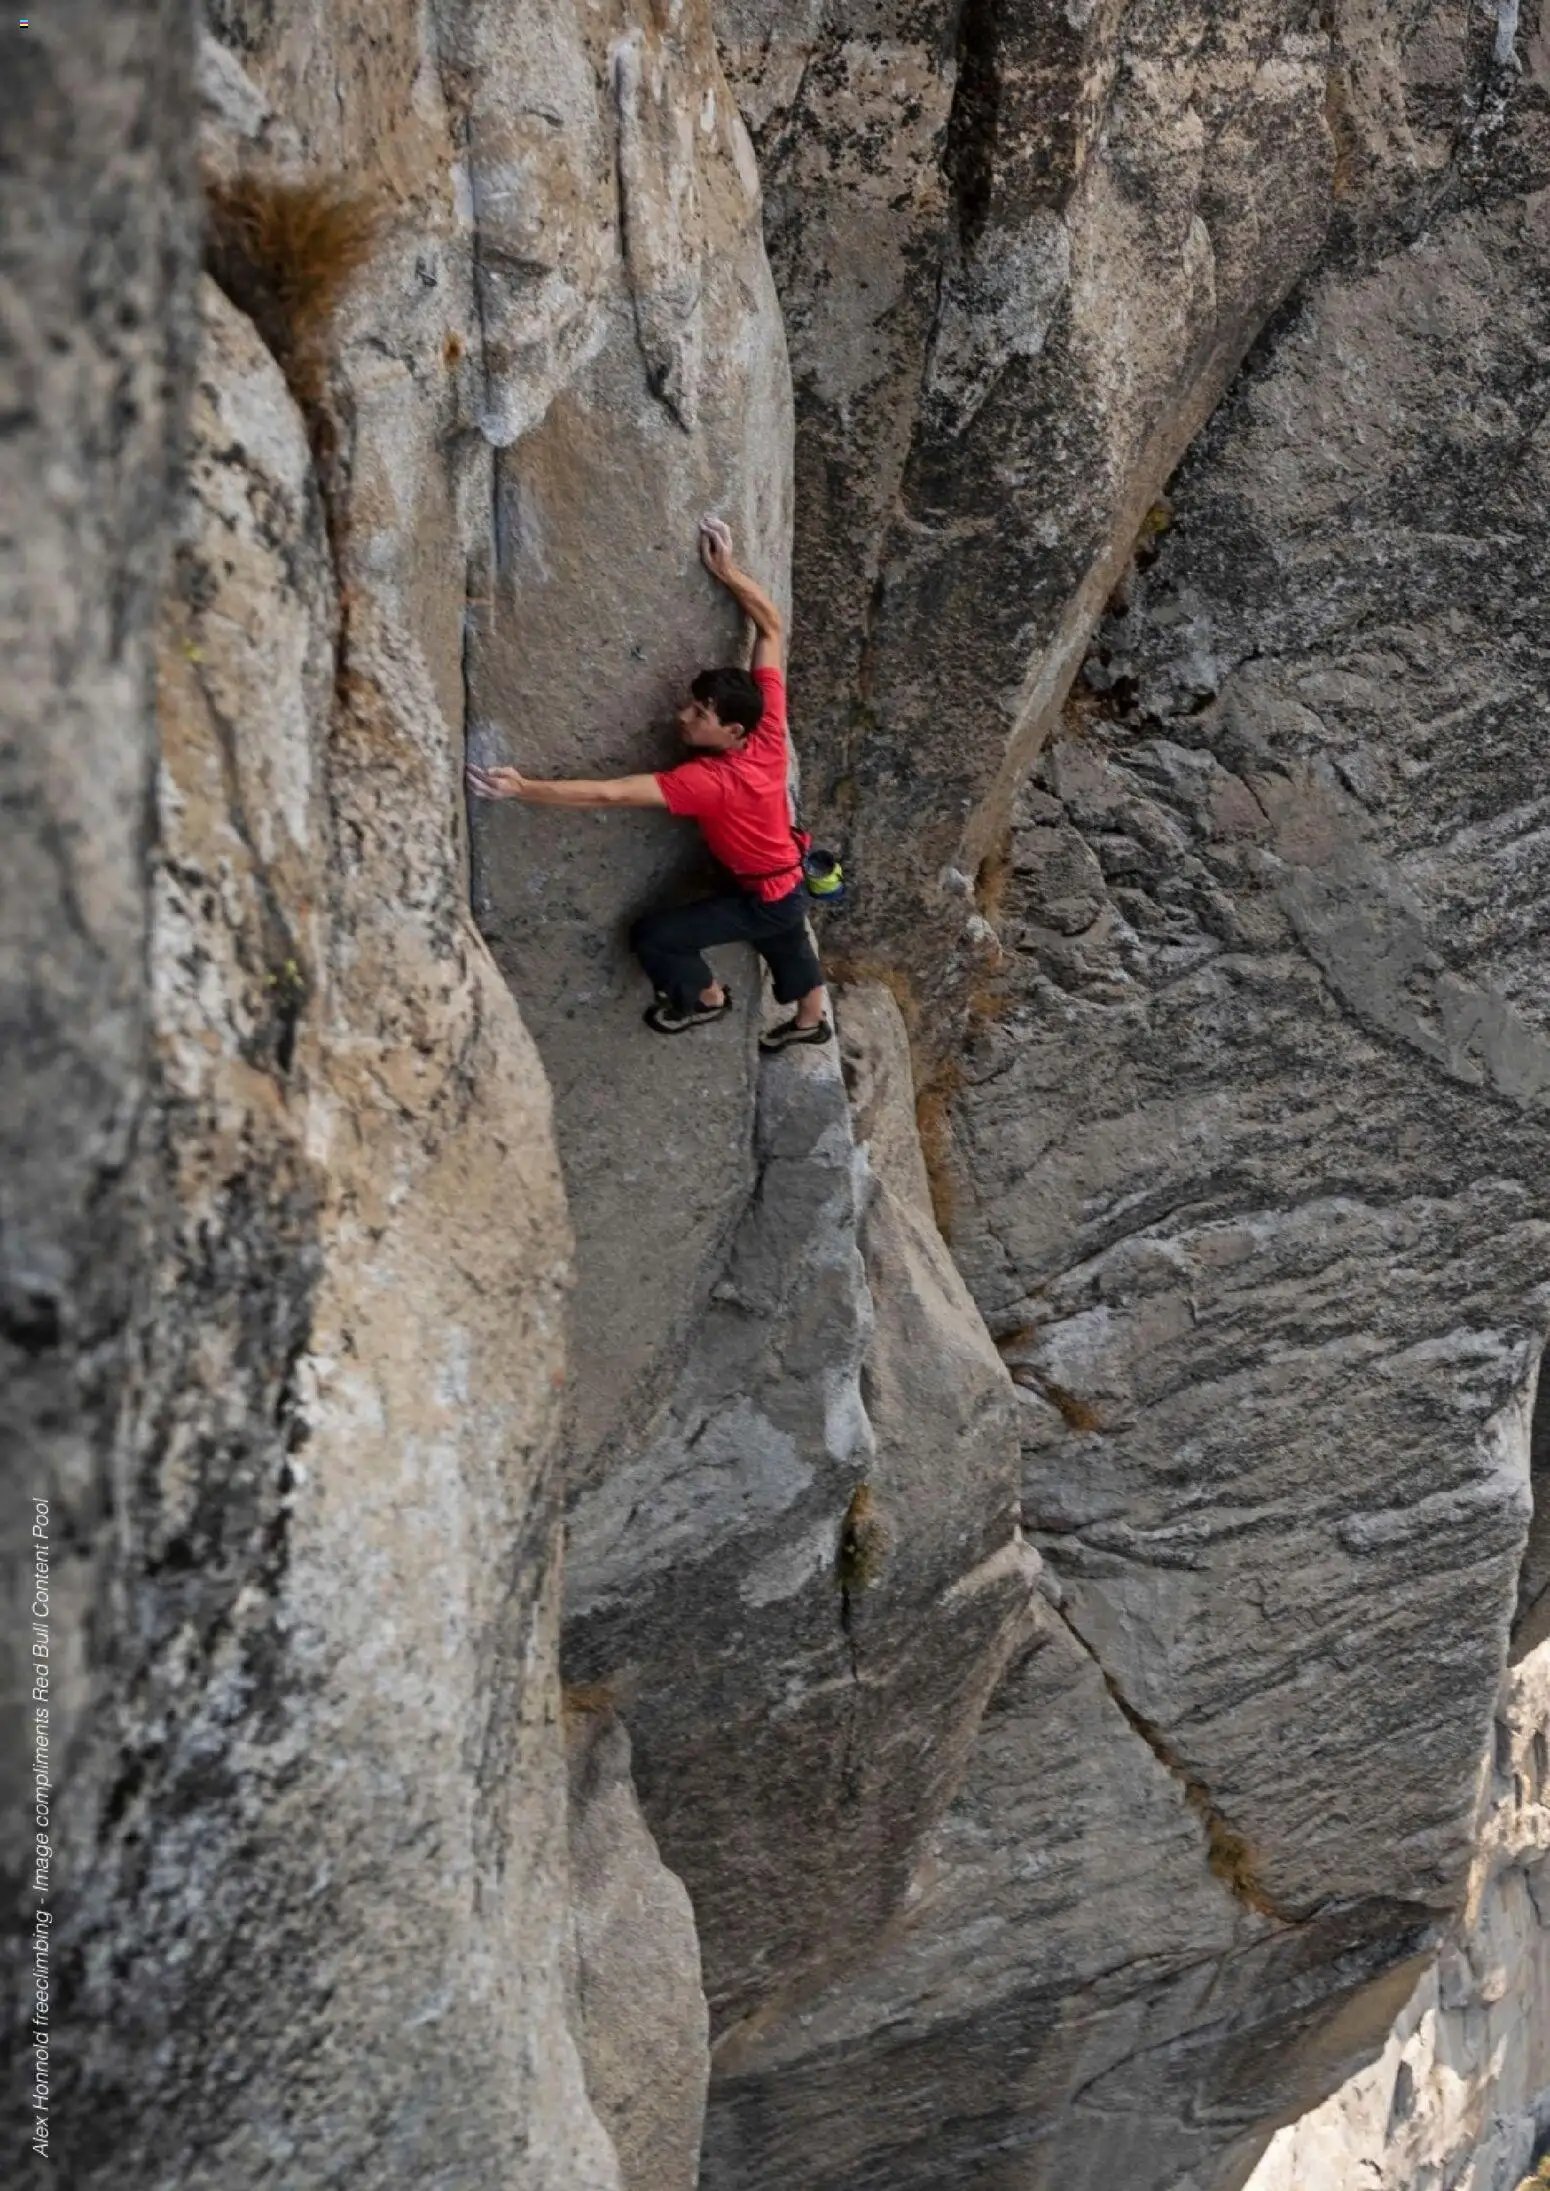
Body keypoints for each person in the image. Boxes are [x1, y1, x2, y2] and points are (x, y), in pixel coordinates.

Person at [466, 522, 832, 1051]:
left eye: (700, 714)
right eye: (693, 703)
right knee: (784, 926)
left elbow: (609, 794)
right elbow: (771, 629)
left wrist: (523, 788)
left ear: (732, 731)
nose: (684, 716)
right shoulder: (766, 726)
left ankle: (705, 999)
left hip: (768, 887)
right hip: (784, 875)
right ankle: (809, 1020)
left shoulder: (712, 783)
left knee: (659, 936)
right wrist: (727, 572)